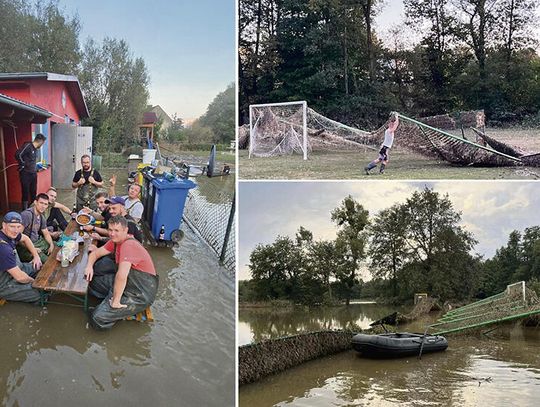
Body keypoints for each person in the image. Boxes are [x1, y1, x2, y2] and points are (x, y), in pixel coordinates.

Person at [84, 215, 159, 330]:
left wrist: (116, 301)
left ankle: (116, 304)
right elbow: (95, 254)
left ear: (126, 230)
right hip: (127, 281)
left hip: (140, 292)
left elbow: (122, 275)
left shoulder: (129, 245)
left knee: (97, 318)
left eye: (116, 230)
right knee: (91, 282)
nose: (112, 234)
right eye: (110, 230)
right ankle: (112, 300)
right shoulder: (115, 241)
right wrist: (89, 267)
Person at [0, 212, 42, 303]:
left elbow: (26, 238)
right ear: (4, 225)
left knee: (40, 267)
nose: (16, 230)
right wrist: (33, 282)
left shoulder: (12, 234)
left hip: (17, 269)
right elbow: (20, 277)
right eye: (12, 226)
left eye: (18, 227)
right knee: (39, 293)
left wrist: (36, 256)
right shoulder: (3, 248)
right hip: (4, 284)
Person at [17, 193, 54, 263]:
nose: (43, 206)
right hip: (25, 247)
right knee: (48, 262)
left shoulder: (41, 217)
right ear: (35, 202)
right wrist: (33, 249)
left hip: (37, 242)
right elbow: (17, 237)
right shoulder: (27, 215)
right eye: (41, 203)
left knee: (56, 246)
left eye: (45, 204)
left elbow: (46, 234)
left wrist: (51, 244)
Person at [15, 133, 46, 209]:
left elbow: (32, 161)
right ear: (40, 141)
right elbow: (18, 154)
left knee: (33, 192)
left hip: (33, 174)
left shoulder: (35, 149)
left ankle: (33, 209)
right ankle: (25, 210)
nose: (42, 145)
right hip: (25, 174)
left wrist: (37, 168)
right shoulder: (28, 146)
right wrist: (22, 164)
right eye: (42, 143)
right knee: (25, 192)